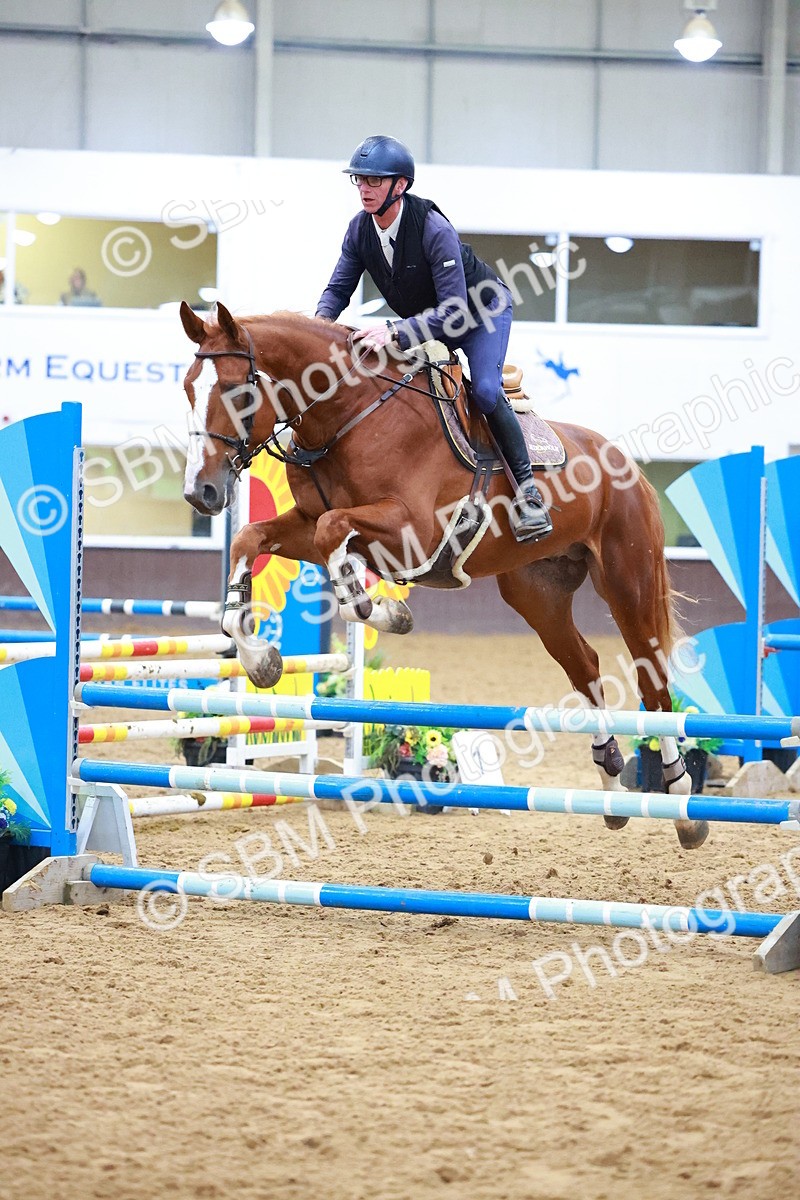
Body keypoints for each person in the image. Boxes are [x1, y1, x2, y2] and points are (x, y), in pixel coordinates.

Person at [315, 134, 552, 543]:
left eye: (374, 181)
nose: (365, 189)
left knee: (484, 391)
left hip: (479, 313)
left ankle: (528, 490)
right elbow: (338, 291)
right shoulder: (359, 229)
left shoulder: (432, 228)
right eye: (359, 180)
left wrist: (393, 330)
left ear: (400, 186)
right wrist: (318, 333)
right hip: (428, 321)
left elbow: (455, 312)